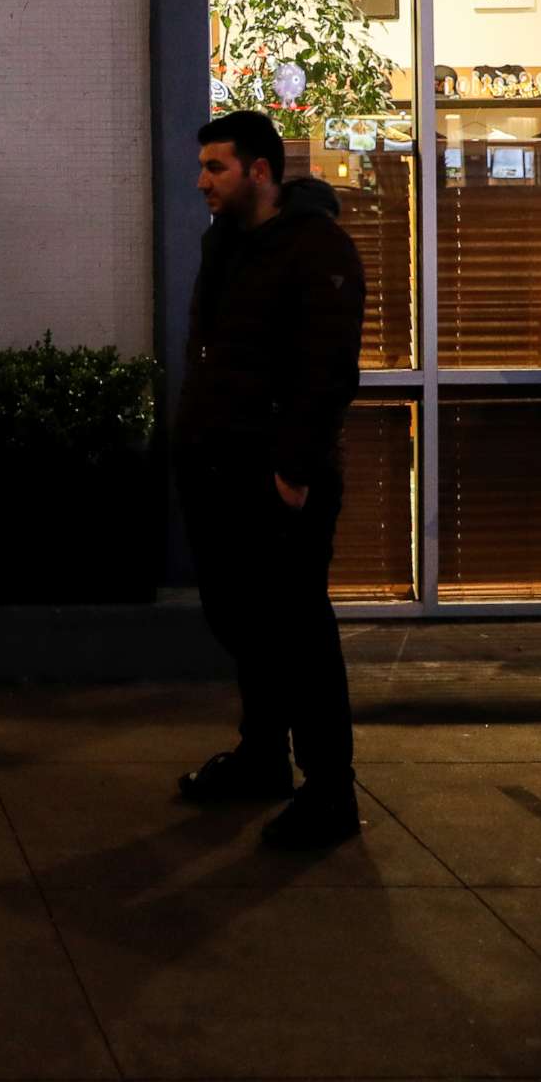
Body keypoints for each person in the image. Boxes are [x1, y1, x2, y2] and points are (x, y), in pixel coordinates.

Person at [176, 108, 367, 850]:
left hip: (276, 480)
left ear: (260, 170)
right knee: (246, 627)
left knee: (299, 634)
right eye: (202, 168)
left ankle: (330, 793)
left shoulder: (319, 249)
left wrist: (292, 474)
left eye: (216, 168)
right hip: (216, 467)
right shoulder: (224, 243)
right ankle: (262, 759)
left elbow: (329, 374)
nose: (203, 181)